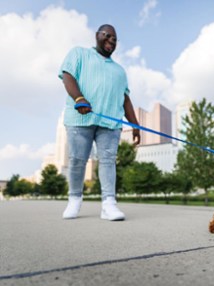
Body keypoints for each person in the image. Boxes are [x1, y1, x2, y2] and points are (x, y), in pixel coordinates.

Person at [59, 24, 140, 221]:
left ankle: (109, 204)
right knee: (77, 160)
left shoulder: (120, 71)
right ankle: (75, 199)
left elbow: (125, 99)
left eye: (115, 39)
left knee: (108, 161)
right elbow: (67, 76)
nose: (111, 40)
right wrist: (79, 98)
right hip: (81, 118)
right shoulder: (79, 53)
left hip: (110, 124)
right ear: (97, 35)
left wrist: (135, 125)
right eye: (108, 36)